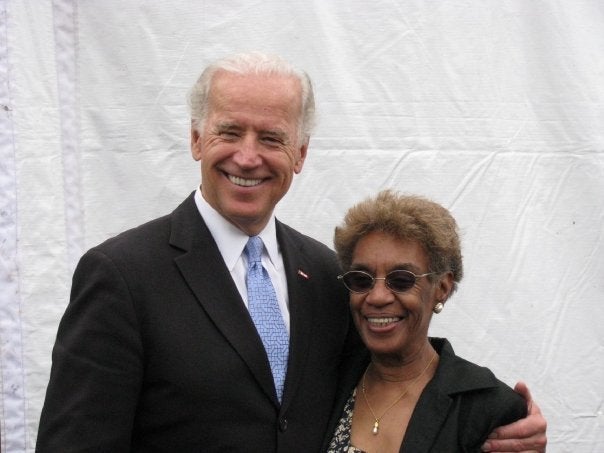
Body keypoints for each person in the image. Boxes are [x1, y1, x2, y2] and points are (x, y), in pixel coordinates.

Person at [36, 52, 546, 452]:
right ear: (196, 138)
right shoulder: (122, 276)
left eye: (272, 137)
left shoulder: (330, 275)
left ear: (300, 153)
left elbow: (395, 374)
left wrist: (500, 419)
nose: (248, 155)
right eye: (230, 131)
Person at [325, 190, 540, 452]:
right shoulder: (326, 382)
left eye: (401, 280)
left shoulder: (489, 409)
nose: (378, 297)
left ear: (442, 287)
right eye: (362, 279)